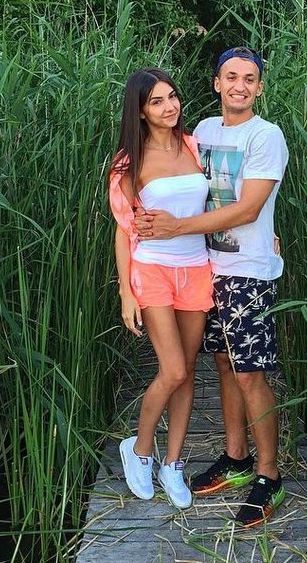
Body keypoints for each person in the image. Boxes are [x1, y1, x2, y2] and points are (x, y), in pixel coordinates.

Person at [134, 47, 289, 527]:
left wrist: (176, 228)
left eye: (250, 78)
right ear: (217, 83)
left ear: (259, 87)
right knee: (223, 363)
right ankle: (236, 457)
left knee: (250, 373)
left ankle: (269, 474)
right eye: (231, 77)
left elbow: (248, 209)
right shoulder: (202, 131)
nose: (240, 85)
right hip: (207, 268)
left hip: (248, 270)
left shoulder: (266, 136)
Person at [108, 68, 213, 509]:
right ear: (140, 111)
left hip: (197, 269)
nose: (169, 107)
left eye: (172, 96)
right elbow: (123, 229)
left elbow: (224, 200)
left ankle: (173, 464)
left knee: (186, 370)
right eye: (156, 101)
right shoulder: (129, 162)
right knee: (171, 370)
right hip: (153, 271)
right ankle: (139, 449)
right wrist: (125, 292)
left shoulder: (194, 146)